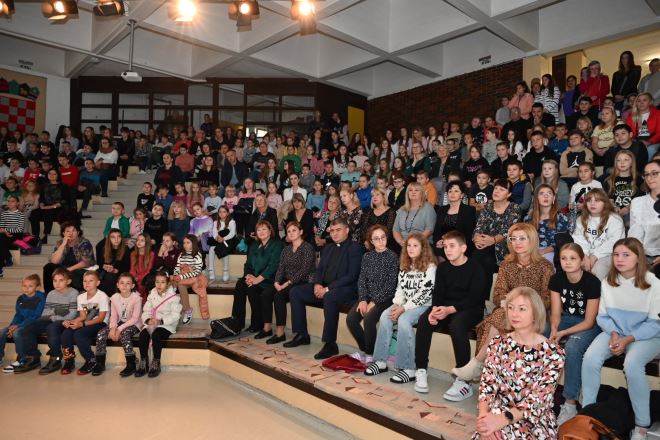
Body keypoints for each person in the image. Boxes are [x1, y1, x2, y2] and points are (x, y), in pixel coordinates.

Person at [581, 238, 660, 440]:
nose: (619, 259)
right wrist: (615, 334)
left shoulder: (653, 283)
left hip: (646, 336)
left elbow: (655, 323)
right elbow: (603, 317)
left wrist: (627, 340)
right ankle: (588, 414)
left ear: (638, 258)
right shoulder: (608, 282)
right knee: (590, 358)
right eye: (616, 254)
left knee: (632, 364)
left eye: (626, 255)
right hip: (615, 332)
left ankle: (641, 425)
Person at [457, 223, 554, 381]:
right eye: (513, 238)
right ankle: (490, 377)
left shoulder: (545, 266)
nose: (517, 242)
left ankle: (478, 365)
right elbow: (498, 294)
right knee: (496, 320)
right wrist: (511, 304)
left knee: (496, 320)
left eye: (522, 238)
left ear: (532, 240)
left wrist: (523, 305)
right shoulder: (506, 265)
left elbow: (547, 298)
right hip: (506, 310)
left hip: (534, 314)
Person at [473, 287, 565, 439]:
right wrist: (484, 419)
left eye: (522, 309)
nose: (514, 314)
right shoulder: (497, 343)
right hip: (496, 413)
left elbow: (539, 400)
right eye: (510, 308)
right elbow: (487, 385)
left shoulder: (553, 353)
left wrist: (501, 420)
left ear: (535, 313)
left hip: (533, 420)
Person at [414, 231, 486, 399]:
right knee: (425, 320)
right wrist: (434, 310)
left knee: (457, 326)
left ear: (463, 248)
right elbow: (438, 294)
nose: (448, 250)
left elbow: (475, 298)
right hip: (446, 307)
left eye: (452, 246)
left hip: (471, 308)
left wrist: (450, 310)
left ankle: (463, 380)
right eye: (445, 246)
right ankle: (421, 369)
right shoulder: (443, 267)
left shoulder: (476, 267)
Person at [285, 218, 364, 359]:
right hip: (325, 287)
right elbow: (319, 270)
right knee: (296, 292)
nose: (334, 233)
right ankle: (302, 335)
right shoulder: (328, 248)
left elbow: (352, 276)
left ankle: (330, 344)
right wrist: (317, 284)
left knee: (330, 297)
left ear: (347, 230)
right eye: (332, 231)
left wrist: (327, 289)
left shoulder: (355, 248)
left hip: (346, 289)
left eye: (338, 230)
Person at [364, 233, 435, 384]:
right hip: (404, 303)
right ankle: (380, 361)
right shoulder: (405, 265)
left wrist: (404, 308)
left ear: (423, 248)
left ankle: (408, 368)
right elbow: (400, 288)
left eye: (415, 245)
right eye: (408, 245)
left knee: (404, 320)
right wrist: (397, 304)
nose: (411, 248)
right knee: (385, 316)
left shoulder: (430, 267)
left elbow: (425, 293)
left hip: (422, 305)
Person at [549, 243, 601, 426]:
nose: (568, 262)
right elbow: (556, 313)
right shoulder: (556, 279)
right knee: (541, 336)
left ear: (582, 260)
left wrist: (563, 333)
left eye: (573, 258)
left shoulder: (592, 282)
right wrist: (554, 330)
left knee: (572, 347)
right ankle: (537, 393)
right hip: (565, 319)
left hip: (588, 324)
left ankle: (570, 403)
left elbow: (589, 321)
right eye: (564, 258)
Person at [346, 225, 399, 362]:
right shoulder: (367, 256)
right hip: (368, 296)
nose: (380, 241)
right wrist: (363, 299)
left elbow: (391, 285)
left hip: (386, 297)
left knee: (369, 319)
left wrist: (374, 302)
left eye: (383, 237)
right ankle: (365, 349)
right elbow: (362, 279)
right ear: (371, 241)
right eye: (376, 238)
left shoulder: (393, 257)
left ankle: (370, 355)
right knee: (351, 319)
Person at [259, 221, 315, 344]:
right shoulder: (286, 249)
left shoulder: (307, 247)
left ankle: (280, 333)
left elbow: (304, 270)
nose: (291, 233)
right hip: (287, 281)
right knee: (266, 293)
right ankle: (267, 328)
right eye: (288, 231)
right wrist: (276, 282)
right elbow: (281, 268)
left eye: (294, 230)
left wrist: (287, 283)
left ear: (301, 232)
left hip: (303, 282)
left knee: (279, 296)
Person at [16, 269, 78, 374]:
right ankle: (33, 357)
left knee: (51, 328)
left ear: (68, 281)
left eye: (61, 280)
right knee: (27, 328)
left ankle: (55, 358)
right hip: (51, 319)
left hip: (65, 321)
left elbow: (72, 314)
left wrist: (53, 316)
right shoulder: (51, 294)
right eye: (55, 280)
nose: (57, 283)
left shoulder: (73, 293)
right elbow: (44, 313)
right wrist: (57, 311)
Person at [471, 179, 522, 299]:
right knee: (482, 258)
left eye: (502, 189)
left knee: (482, 259)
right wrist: (477, 238)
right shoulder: (488, 206)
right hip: (485, 245)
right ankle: (479, 299)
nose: (497, 191)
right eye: (496, 188)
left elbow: (507, 231)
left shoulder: (514, 208)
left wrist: (493, 240)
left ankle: (480, 299)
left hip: (503, 246)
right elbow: (479, 226)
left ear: (508, 194)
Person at [230, 220, 282, 333]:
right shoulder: (254, 245)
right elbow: (248, 264)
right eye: (259, 230)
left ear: (270, 231)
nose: (261, 232)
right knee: (240, 285)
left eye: (264, 229)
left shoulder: (277, 244)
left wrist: (258, 279)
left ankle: (257, 323)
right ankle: (237, 322)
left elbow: (273, 265)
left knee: (252, 289)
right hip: (254, 277)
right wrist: (248, 276)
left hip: (269, 279)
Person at [92, 273, 143, 377]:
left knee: (125, 334)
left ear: (133, 285)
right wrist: (113, 328)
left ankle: (131, 364)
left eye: (128, 283)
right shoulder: (114, 298)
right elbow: (114, 316)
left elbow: (134, 318)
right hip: (120, 322)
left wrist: (119, 329)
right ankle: (100, 363)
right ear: (117, 285)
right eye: (122, 283)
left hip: (135, 323)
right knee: (101, 334)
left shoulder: (137, 298)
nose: (124, 286)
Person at [60, 271, 109, 375]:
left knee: (79, 334)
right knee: (66, 333)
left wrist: (82, 324)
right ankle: (69, 361)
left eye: (91, 281)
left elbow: (101, 318)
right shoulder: (81, 297)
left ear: (98, 283)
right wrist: (71, 322)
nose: (87, 283)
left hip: (100, 324)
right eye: (85, 281)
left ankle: (91, 360)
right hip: (86, 323)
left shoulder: (102, 296)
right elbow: (82, 316)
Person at [136, 272, 182, 378]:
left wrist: (160, 321)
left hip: (166, 325)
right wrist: (148, 320)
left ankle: (156, 363)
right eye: (157, 282)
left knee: (156, 334)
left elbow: (175, 315)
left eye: (162, 282)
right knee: (143, 335)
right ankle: (144, 362)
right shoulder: (152, 294)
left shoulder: (174, 297)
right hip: (152, 323)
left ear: (168, 283)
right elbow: (146, 310)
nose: (159, 285)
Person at [572, 189, 625, 280]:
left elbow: (614, 243)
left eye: (597, 200)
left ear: (605, 203)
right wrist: (584, 255)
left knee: (598, 269)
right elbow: (579, 240)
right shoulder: (581, 219)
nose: (592, 204)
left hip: (608, 254)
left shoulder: (615, 219)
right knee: (575, 265)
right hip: (586, 253)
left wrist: (595, 256)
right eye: (589, 200)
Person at [0, 274, 46, 373]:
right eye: (24, 286)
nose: (26, 288)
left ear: (37, 287)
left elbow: (36, 316)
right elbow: (18, 315)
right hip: (21, 324)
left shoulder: (41, 298)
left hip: (35, 324)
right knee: (2, 331)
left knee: (18, 332)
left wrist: (18, 326)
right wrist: (12, 326)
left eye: (30, 286)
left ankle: (22, 359)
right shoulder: (21, 299)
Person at [42, 222, 95, 293]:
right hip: (64, 268)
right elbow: (54, 261)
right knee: (48, 267)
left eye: (73, 231)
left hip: (80, 269)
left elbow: (86, 262)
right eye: (68, 231)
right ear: (63, 233)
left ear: (78, 232)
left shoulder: (84, 243)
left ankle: (72, 295)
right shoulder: (60, 243)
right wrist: (63, 245)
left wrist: (67, 270)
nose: (71, 233)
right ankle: (49, 294)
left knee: (74, 274)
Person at [629, 159, 660, 279]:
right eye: (646, 174)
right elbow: (635, 234)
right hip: (643, 255)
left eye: (654, 173)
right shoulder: (638, 202)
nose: (650, 178)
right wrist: (639, 256)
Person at [526, 184, 570, 264]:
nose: (546, 196)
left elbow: (562, 243)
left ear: (553, 198)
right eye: (541, 193)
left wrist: (543, 251)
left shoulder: (561, 218)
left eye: (549, 193)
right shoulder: (528, 218)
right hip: (531, 251)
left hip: (553, 252)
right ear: (536, 198)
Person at [172, 234, 210, 324]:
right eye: (184, 243)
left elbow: (197, 271)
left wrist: (181, 277)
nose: (185, 245)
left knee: (180, 284)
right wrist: (176, 274)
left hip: (194, 278)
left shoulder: (197, 255)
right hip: (183, 278)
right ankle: (175, 311)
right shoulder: (181, 254)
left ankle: (186, 311)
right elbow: (177, 267)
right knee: (174, 285)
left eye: (188, 243)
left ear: (193, 243)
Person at [433, 181, 476, 259]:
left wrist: (449, 243)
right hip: (443, 245)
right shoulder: (442, 210)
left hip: (460, 245)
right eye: (450, 191)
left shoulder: (469, 210)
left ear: (462, 195)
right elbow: (436, 232)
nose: (452, 193)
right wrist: (438, 241)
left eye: (456, 191)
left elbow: (469, 234)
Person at [392, 182, 436, 248]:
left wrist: (413, 242)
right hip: (402, 244)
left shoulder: (428, 208)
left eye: (416, 190)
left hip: (421, 243)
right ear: (407, 193)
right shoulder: (401, 209)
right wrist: (400, 241)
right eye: (410, 190)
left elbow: (429, 230)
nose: (413, 192)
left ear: (422, 193)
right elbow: (395, 230)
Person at [603, 149, 641, 226]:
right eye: (619, 160)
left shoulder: (638, 180)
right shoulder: (609, 180)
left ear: (632, 163)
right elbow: (608, 199)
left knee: (629, 221)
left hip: (632, 211)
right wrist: (614, 207)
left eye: (626, 160)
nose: (622, 162)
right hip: (614, 211)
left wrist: (628, 208)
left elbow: (640, 200)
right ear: (615, 163)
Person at [207, 205, 238, 282]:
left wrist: (223, 238)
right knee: (211, 249)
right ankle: (211, 270)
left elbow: (232, 233)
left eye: (224, 212)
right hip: (218, 240)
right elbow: (214, 232)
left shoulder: (232, 221)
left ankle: (225, 270)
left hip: (229, 240)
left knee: (224, 249)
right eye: (220, 212)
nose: (221, 213)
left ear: (227, 213)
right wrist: (217, 238)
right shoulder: (215, 222)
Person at [98, 228, 131, 295]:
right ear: (109, 239)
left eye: (118, 236)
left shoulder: (126, 249)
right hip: (106, 273)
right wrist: (104, 266)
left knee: (110, 277)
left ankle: (111, 297)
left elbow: (127, 267)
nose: (116, 239)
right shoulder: (104, 249)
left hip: (119, 274)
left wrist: (115, 270)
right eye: (113, 237)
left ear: (121, 238)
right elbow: (100, 263)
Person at [130, 233, 154, 302]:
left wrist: (140, 278)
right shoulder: (133, 254)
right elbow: (132, 269)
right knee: (128, 283)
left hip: (145, 278)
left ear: (147, 243)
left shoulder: (151, 254)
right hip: (135, 277)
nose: (139, 242)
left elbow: (149, 270)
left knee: (140, 286)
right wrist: (133, 278)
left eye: (142, 240)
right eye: (138, 240)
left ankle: (142, 302)